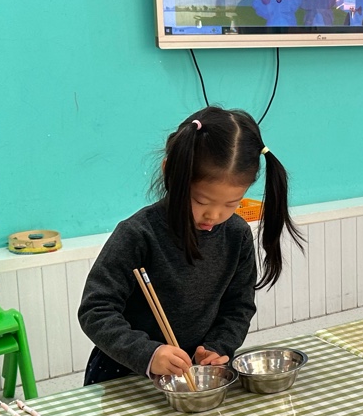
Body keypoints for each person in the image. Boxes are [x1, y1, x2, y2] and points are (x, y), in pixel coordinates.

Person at [78, 106, 300, 385]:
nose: (214, 215)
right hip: (125, 373)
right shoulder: (138, 234)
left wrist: (218, 346)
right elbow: (95, 309)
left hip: (195, 375)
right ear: (170, 172)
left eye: (231, 204)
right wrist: (148, 354)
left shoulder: (237, 235)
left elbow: (238, 307)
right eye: (201, 201)